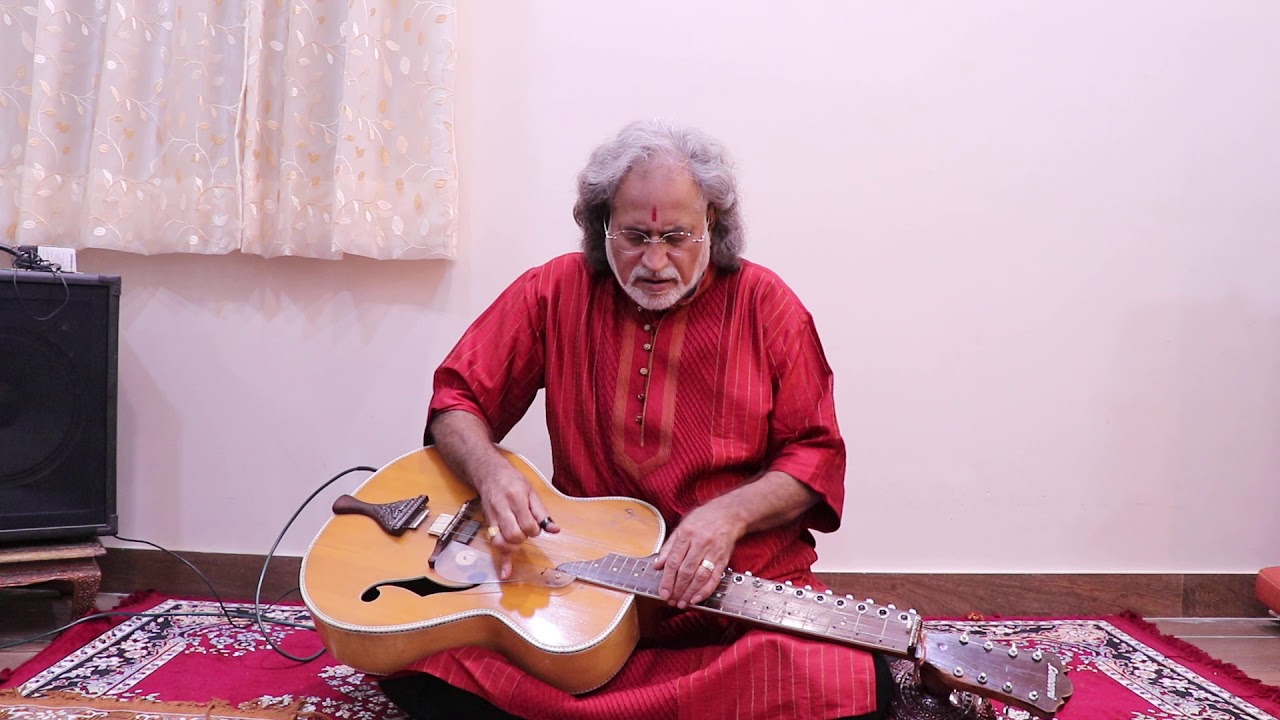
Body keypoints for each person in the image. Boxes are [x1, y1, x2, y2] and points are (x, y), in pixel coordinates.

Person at [379, 120, 890, 720]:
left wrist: (726, 517)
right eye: (634, 236)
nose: (654, 261)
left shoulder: (766, 306)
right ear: (603, 227)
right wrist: (492, 474)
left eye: (676, 236)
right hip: (585, 590)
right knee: (413, 656)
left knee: (851, 679)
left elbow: (815, 454)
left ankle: (580, 708)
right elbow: (457, 401)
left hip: (731, 591)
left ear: (713, 225)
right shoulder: (554, 292)